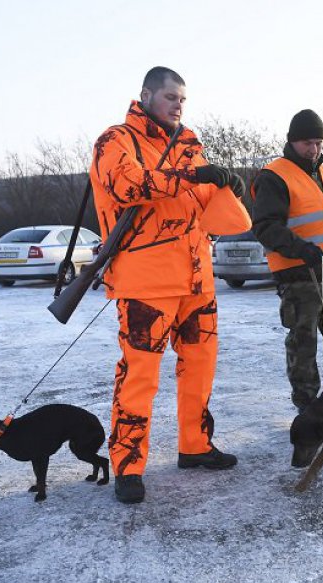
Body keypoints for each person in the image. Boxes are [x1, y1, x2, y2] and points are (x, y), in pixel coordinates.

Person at [90, 67, 249, 503]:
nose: (179, 105)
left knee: (200, 366)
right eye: (171, 97)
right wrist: (195, 177)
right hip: (146, 280)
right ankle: (127, 465)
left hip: (197, 278)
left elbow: (204, 202)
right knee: (139, 376)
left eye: (183, 99)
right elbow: (125, 185)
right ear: (145, 95)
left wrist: (223, 186)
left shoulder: (189, 144)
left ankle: (194, 446)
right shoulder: (115, 140)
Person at [251, 109, 323, 412]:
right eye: (308, 143)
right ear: (292, 142)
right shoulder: (274, 176)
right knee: (303, 345)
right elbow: (265, 227)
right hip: (299, 276)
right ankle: (309, 410)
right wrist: (301, 248)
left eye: (319, 143)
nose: (314, 149)